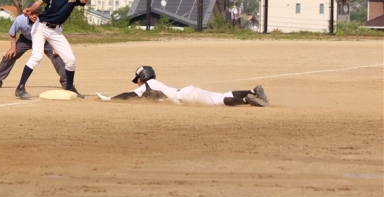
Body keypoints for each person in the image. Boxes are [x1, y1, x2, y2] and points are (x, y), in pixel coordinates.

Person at [14, 0, 92, 99]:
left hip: (56, 31)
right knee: (37, 56)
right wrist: (30, 9)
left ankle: (69, 87)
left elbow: (84, 0)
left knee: (71, 60)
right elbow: (39, 2)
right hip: (41, 27)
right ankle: (20, 87)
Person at [96, 65, 269, 107]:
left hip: (186, 96)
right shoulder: (153, 85)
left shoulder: (148, 85)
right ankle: (253, 91)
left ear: (143, 77)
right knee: (221, 96)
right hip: (187, 92)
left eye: (138, 79)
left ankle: (248, 99)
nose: (138, 83)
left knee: (219, 101)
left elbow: (129, 95)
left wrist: (110, 99)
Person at [0, 8, 67, 89]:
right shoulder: (20, 20)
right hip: (25, 40)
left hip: (44, 40)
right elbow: (12, 33)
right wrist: (13, 48)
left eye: (37, 13)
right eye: (32, 13)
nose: (34, 16)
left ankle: (66, 82)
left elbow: (55, 32)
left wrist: (55, 46)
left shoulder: (47, 19)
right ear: (27, 13)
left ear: (41, 13)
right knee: (10, 55)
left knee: (57, 56)